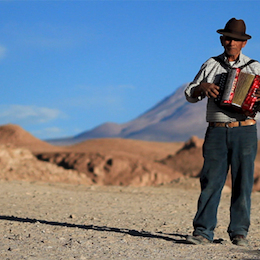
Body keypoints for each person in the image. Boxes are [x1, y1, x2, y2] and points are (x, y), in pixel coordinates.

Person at [185, 18, 260, 246]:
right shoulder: (211, 64)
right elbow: (190, 93)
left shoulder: (255, 68)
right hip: (216, 131)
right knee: (211, 181)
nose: (231, 42)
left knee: (243, 182)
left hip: (245, 131)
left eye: (236, 40)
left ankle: (239, 233)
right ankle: (203, 232)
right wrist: (202, 87)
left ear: (244, 43)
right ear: (221, 40)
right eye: (228, 38)